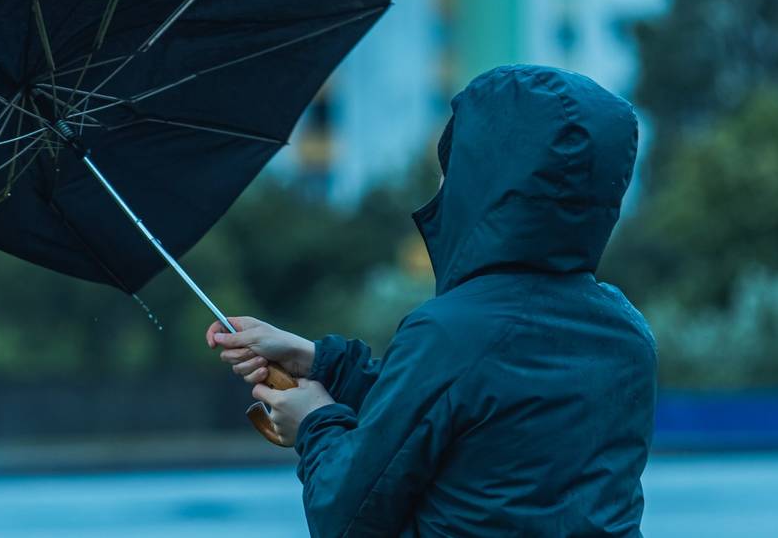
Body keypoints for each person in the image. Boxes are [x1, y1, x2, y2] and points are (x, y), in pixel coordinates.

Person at [206, 65, 657, 537]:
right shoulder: (627, 333)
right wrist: (322, 363)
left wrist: (315, 423)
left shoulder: (450, 333)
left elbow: (345, 516)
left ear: (482, 182)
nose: (441, 185)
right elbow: (470, 405)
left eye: (452, 168)